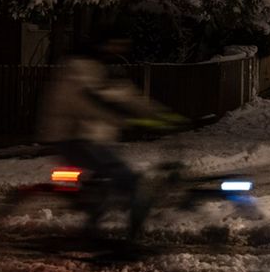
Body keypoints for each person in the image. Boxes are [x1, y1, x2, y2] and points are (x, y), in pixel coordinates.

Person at [36, 37, 183, 240]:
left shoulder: (104, 69)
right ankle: (129, 239)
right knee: (132, 183)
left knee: (109, 187)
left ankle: (95, 228)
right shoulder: (77, 69)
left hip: (96, 140)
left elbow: (129, 97)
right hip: (74, 139)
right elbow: (91, 102)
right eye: (114, 43)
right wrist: (124, 117)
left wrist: (165, 116)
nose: (118, 49)